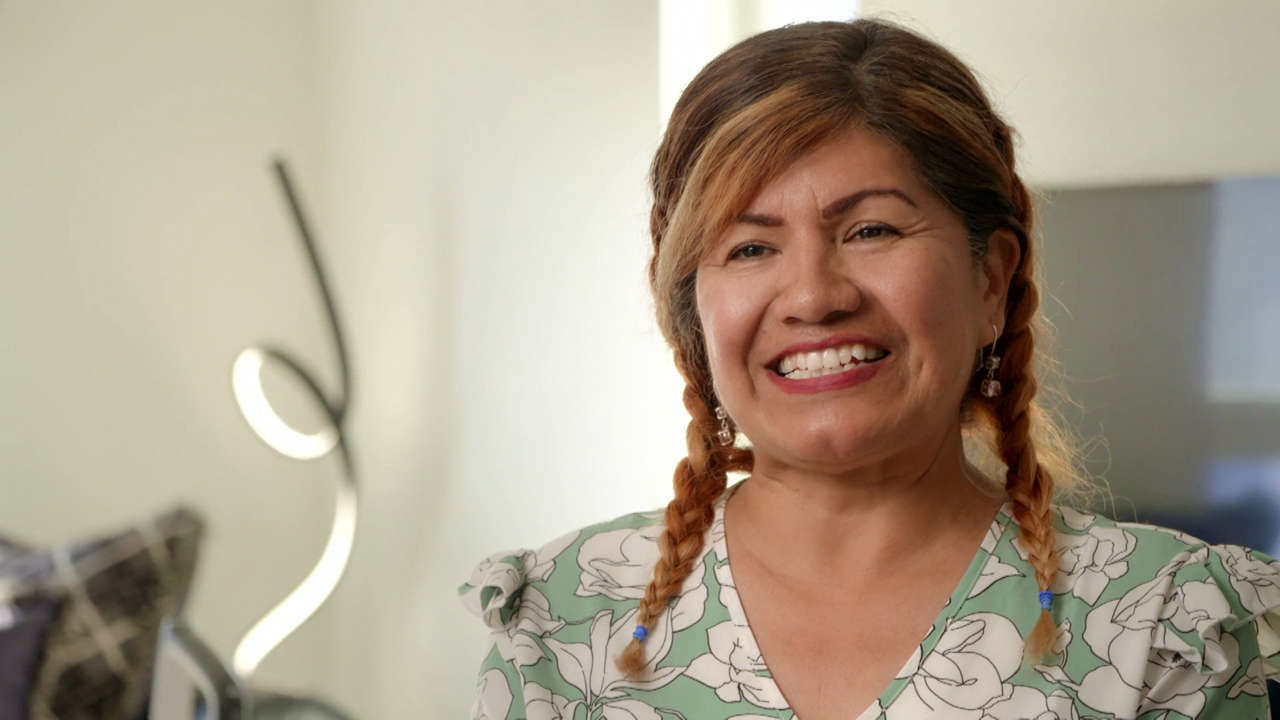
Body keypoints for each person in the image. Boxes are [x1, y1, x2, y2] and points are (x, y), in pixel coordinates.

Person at [459, 18, 1280, 720]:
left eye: (872, 231)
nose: (813, 296)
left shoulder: (1164, 623)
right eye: (750, 248)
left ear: (991, 281)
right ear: (692, 314)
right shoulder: (560, 623)